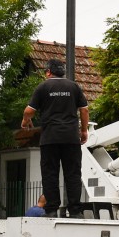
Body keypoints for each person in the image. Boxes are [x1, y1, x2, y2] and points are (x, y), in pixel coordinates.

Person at [22, 59, 89, 218]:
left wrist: (25, 121)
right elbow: (84, 110)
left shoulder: (43, 87)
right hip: (71, 138)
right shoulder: (74, 87)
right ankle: (75, 211)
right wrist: (84, 131)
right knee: (73, 174)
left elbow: (29, 111)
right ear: (62, 72)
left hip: (50, 138)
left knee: (50, 173)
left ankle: (51, 209)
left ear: (48, 72)